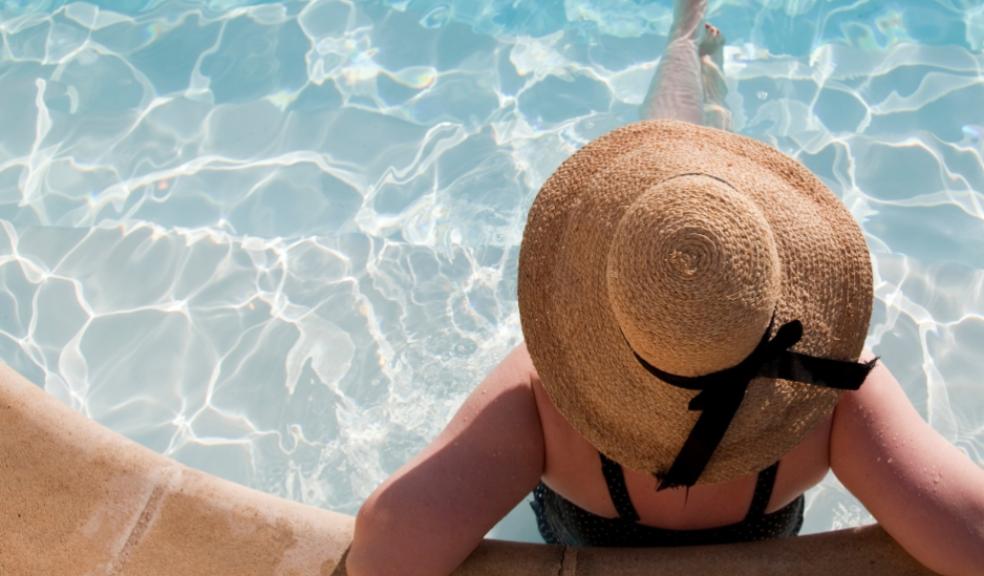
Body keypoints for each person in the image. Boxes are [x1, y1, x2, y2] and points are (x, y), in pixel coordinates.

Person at [346, 1, 984, 575]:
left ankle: (684, 49)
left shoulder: (544, 395)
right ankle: (706, 111)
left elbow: (388, 539)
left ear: (592, 310)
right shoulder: (831, 392)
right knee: (709, 219)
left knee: (665, 213)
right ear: (786, 279)